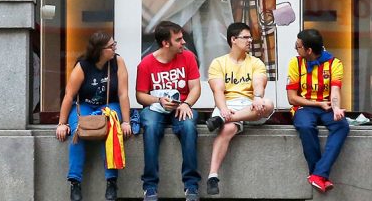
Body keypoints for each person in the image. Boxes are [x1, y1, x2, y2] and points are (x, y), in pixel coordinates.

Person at [55, 32, 133, 201]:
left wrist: (126, 122)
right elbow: (69, 95)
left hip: (109, 104)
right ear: (99, 50)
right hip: (85, 105)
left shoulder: (118, 62)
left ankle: (111, 181)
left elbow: (123, 94)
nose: (115, 48)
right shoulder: (83, 66)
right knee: (78, 131)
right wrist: (61, 123)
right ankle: (75, 182)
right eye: (111, 46)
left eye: (114, 44)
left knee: (111, 128)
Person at [204, 22, 274, 195]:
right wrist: (223, 109)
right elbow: (218, 90)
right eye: (246, 37)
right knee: (227, 129)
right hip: (227, 105)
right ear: (233, 40)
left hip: (250, 105)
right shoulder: (218, 63)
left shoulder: (256, 62)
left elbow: (259, 83)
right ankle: (213, 175)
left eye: (250, 37)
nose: (250, 40)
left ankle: (222, 120)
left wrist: (257, 97)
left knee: (269, 104)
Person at [136, 21, 202, 201]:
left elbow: (195, 87)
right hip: (156, 107)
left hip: (181, 106)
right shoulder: (146, 64)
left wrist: (186, 103)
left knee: (188, 126)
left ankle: (191, 186)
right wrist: (159, 100)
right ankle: (149, 187)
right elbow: (140, 96)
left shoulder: (188, 57)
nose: (184, 42)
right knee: (149, 126)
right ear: (166, 43)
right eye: (179, 40)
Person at [286, 29, 350, 193]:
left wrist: (336, 109)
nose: (295, 48)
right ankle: (319, 175)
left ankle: (318, 175)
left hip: (327, 106)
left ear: (308, 50)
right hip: (304, 105)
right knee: (306, 127)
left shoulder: (335, 64)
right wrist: (316, 103)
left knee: (342, 125)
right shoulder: (295, 63)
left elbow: (335, 91)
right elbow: (292, 98)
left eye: (298, 46)